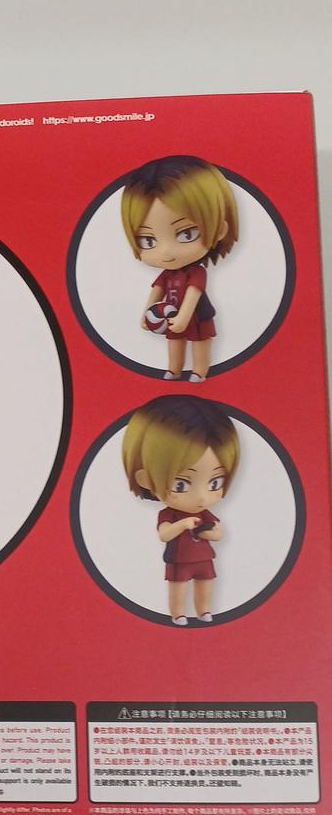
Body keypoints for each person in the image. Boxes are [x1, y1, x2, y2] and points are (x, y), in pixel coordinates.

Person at [122, 395, 240, 625]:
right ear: (145, 479)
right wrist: (183, 525)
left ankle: (204, 610)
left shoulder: (204, 513)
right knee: (178, 586)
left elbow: (218, 533)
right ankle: (178, 613)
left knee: (206, 583)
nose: (202, 496)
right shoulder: (170, 514)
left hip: (204, 558)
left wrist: (210, 532)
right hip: (180, 560)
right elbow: (164, 534)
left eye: (215, 482)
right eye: (181, 484)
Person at [121, 155, 238, 381]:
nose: (166, 252)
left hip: (197, 315)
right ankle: (174, 369)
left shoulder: (196, 272)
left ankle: (199, 370)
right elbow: (156, 291)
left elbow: (194, 294)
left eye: (186, 234)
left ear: (220, 230)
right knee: (173, 341)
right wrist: (146, 313)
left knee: (200, 342)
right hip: (171, 313)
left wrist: (184, 316)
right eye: (148, 240)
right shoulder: (167, 274)